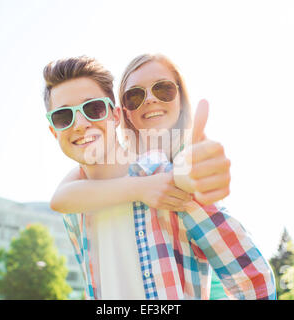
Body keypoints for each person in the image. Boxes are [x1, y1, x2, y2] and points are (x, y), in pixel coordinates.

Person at [43, 55, 276, 299]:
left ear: (115, 116)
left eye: (93, 109)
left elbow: (254, 280)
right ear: (53, 131)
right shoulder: (75, 210)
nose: (79, 124)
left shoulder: (163, 179)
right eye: (63, 117)